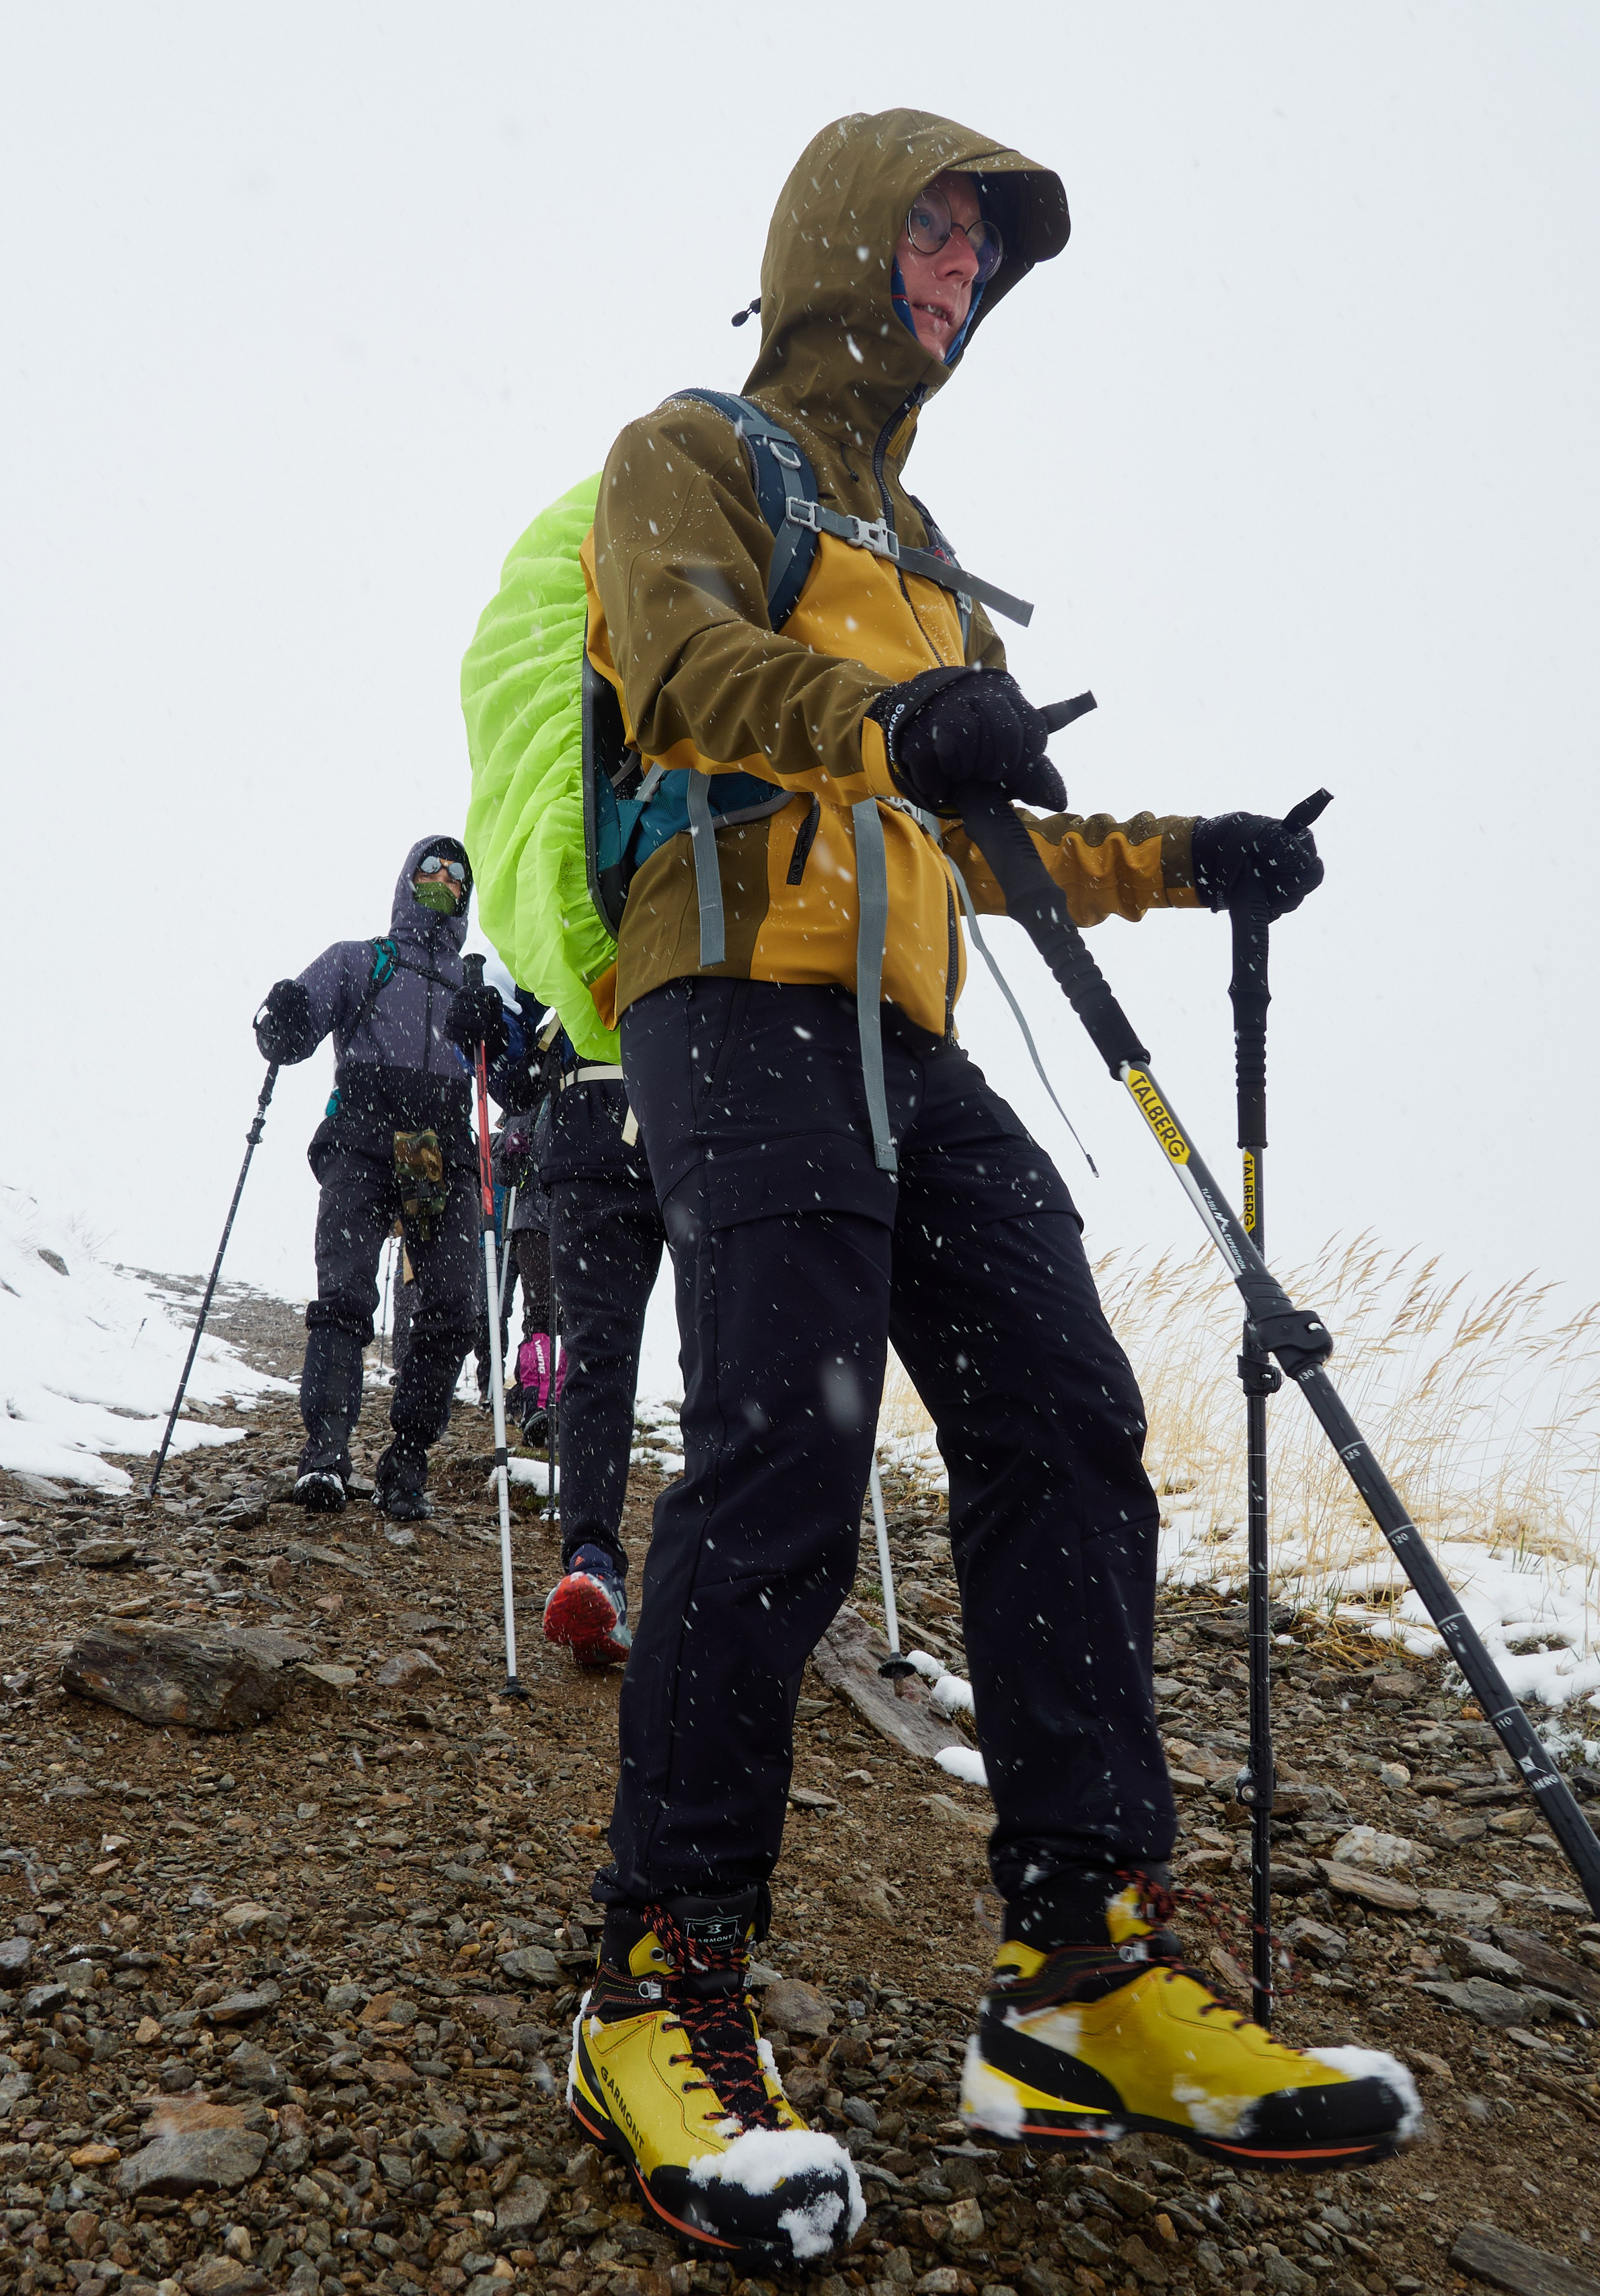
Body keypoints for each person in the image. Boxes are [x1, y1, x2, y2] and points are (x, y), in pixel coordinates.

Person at [563, 110, 1415, 2267]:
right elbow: (683, 667)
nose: (955, 274)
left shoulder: (922, 544)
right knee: (784, 1450)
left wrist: (1190, 857)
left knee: (1064, 1414)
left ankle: (1080, 1975)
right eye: (930, 231)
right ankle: (655, 1981)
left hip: (905, 1028)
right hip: (730, 993)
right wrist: (897, 721)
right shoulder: (689, 455)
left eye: (980, 254)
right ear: (838, 240)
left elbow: (990, 832)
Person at [253, 835, 519, 1522]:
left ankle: (407, 1459)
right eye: (432, 868)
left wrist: (494, 1037)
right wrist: (283, 1018)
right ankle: (325, 1457)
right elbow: (292, 1031)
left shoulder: (472, 985)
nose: (445, 880)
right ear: (408, 880)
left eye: (458, 874)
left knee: (453, 1303)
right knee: (345, 1293)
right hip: (364, 1138)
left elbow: (515, 1084)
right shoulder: (359, 960)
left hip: (434, 1148)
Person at [533, 1025, 664, 1669]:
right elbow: (513, 1059)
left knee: (600, 1358)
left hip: (604, 1136)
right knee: (722, 1356)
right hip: (693, 1129)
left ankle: (599, 1567)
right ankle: (596, 1566)